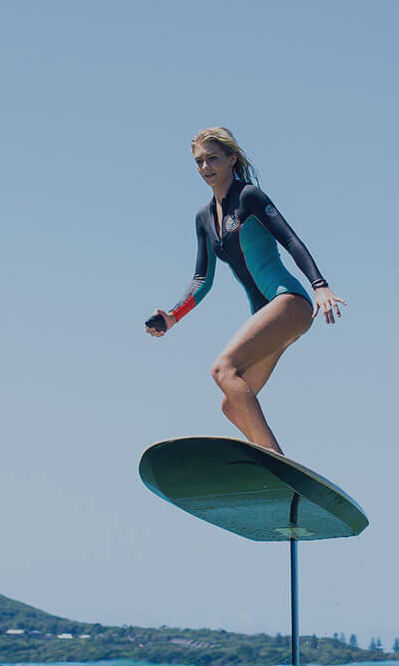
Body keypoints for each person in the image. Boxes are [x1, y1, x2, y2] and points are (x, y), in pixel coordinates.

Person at [145, 127, 345, 455]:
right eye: (199, 162)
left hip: (289, 302)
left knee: (223, 368)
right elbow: (202, 280)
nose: (206, 167)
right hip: (267, 316)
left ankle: (275, 459)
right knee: (232, 405)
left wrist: (319, 285)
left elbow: (291, 239)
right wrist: (172, 317)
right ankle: (269, 468)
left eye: (213, 159)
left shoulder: (248, 196)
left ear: (231, 159)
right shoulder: (205, 218)